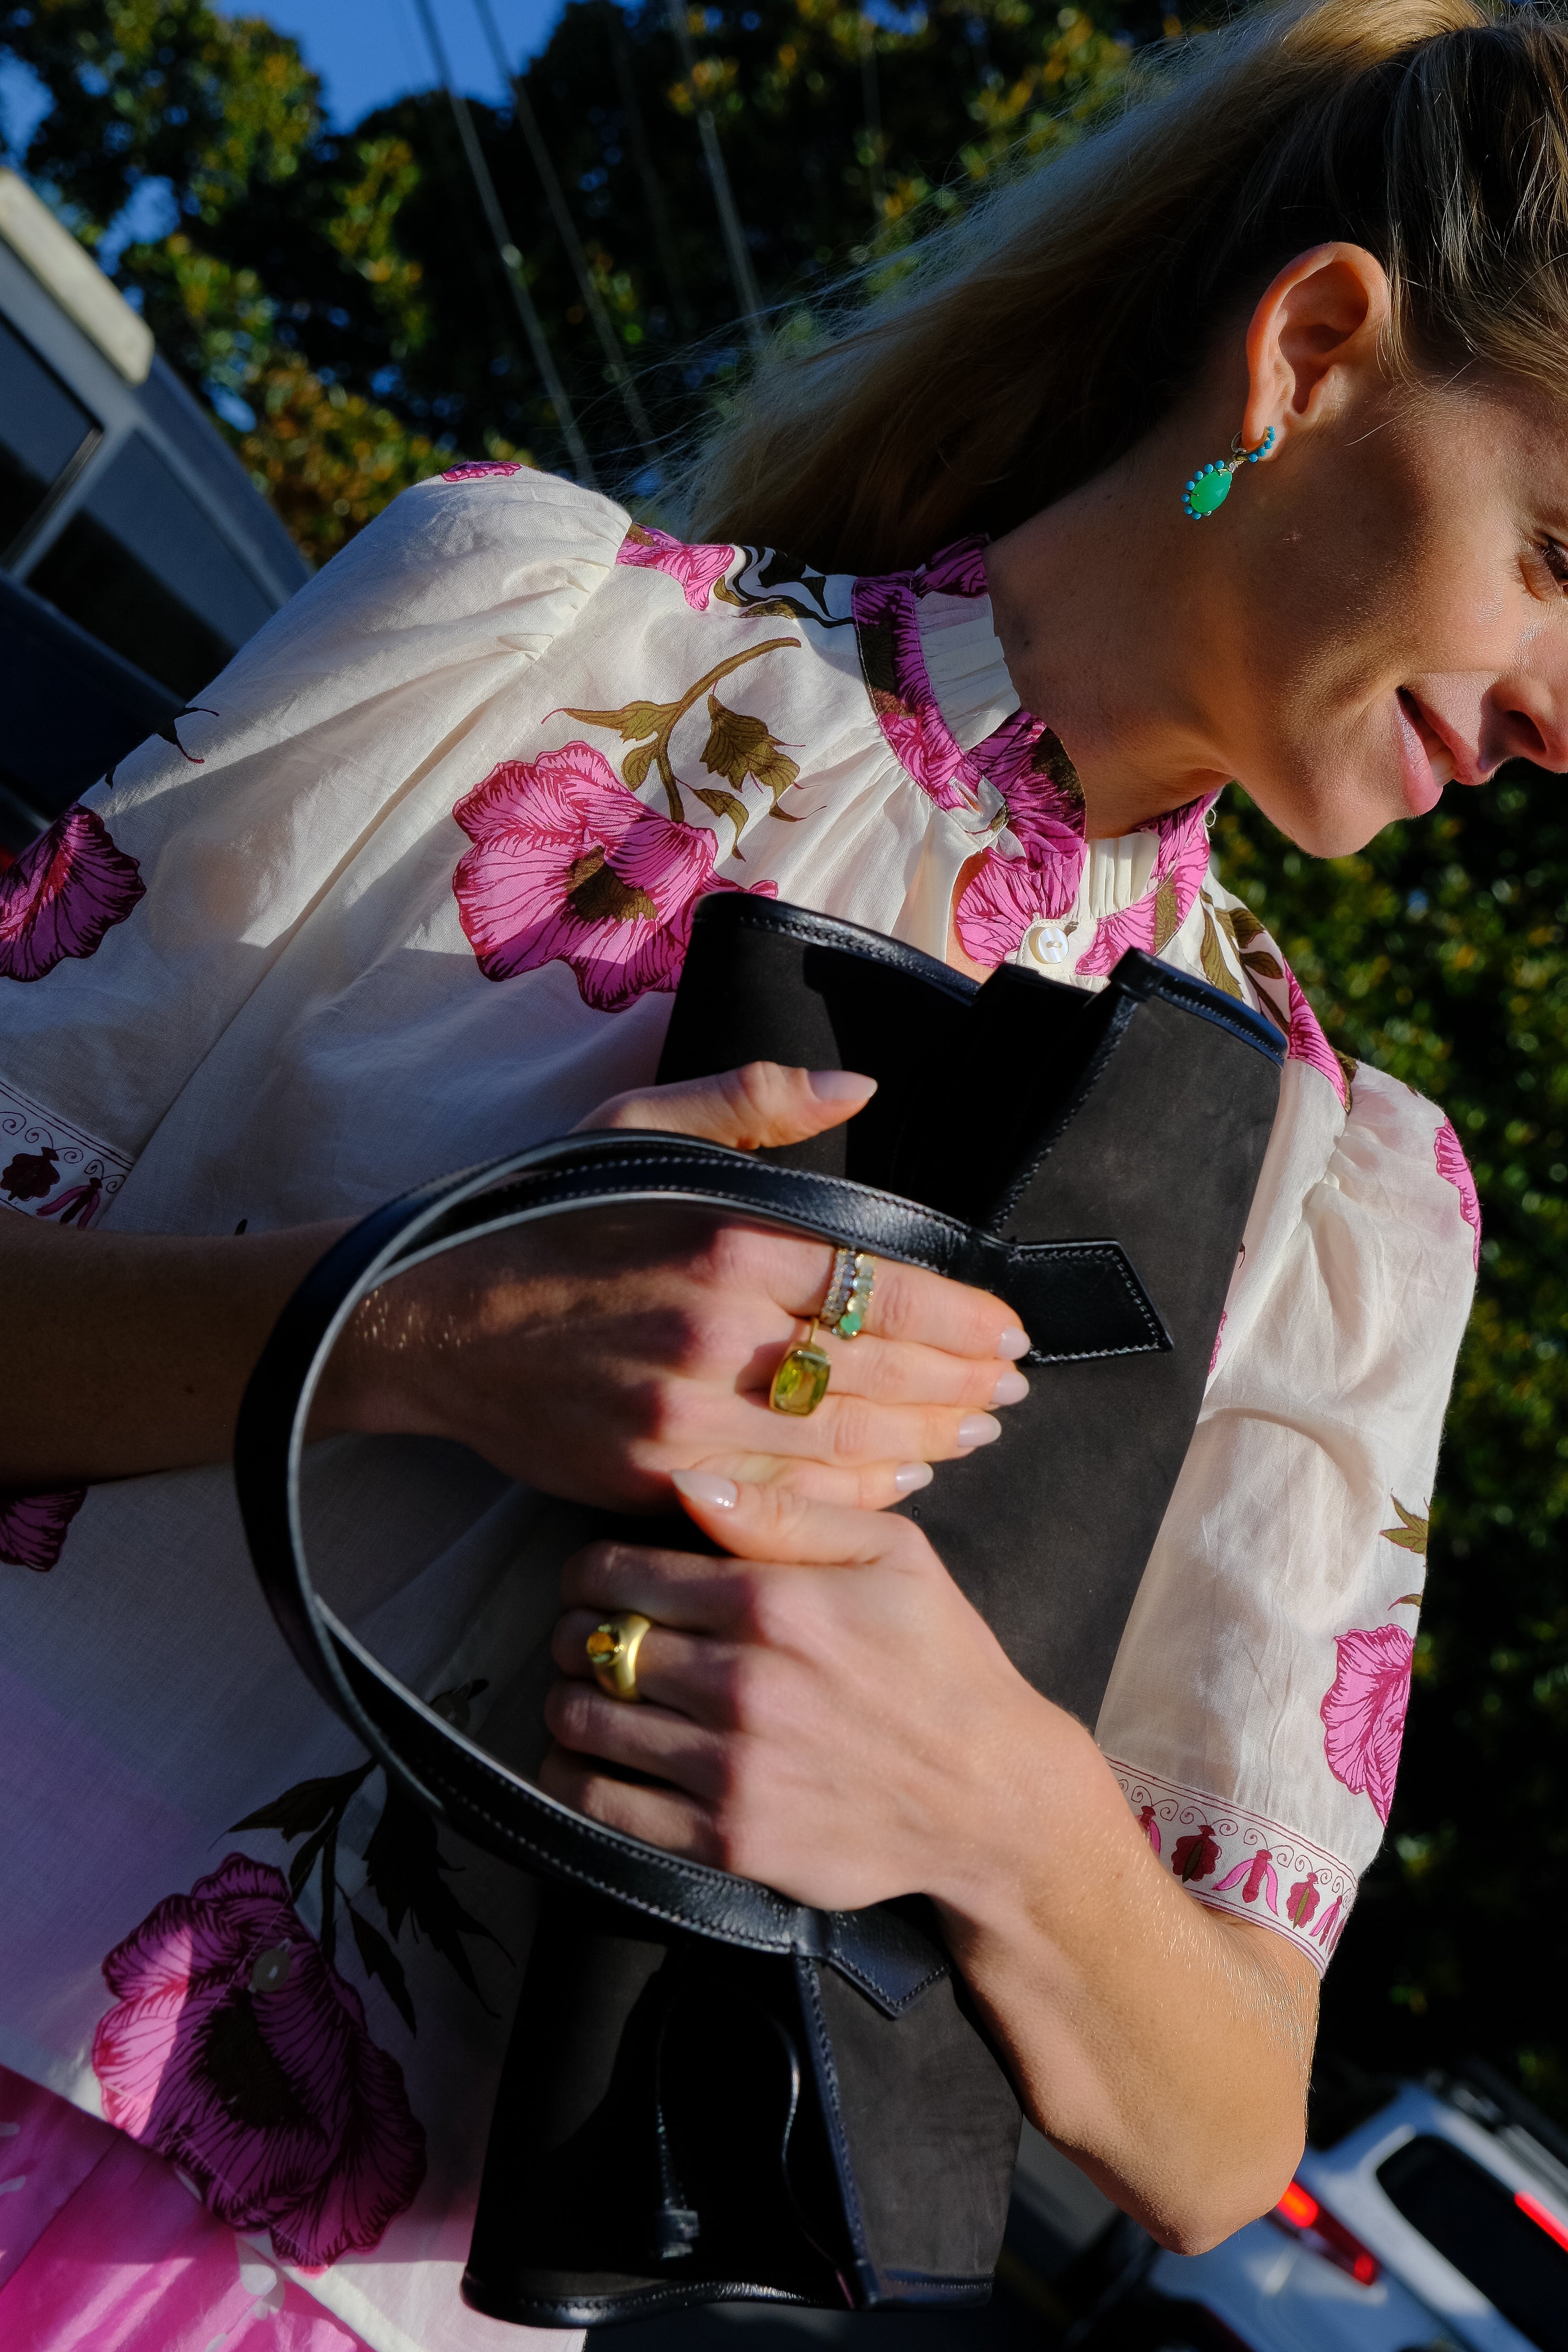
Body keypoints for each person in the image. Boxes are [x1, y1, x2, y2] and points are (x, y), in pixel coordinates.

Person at [0, 0, 1537, 2340]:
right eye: (1559, 554)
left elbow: (1227, 2124)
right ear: (1313, 349)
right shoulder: (526, 637)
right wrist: (414, 1326)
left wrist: (993, 1799)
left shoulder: (1334, 1215)